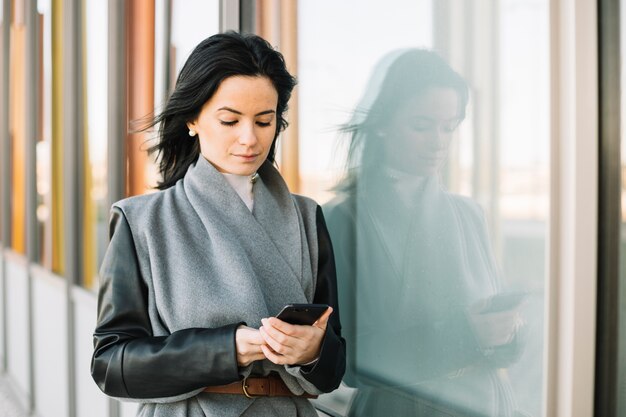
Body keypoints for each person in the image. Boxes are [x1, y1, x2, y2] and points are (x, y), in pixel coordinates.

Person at [91, 32, 346, 417]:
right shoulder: (140, 221)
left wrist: (311, 352)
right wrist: (227, 349)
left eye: (264, 121)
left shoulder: (307, 217)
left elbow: (334, 368)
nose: (249, 138)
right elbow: (110, 364)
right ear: (192, 119)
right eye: (230, 120)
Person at [323, 49, 529, 417]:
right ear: (383, 124)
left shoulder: (469, 214)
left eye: (448, 127)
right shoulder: (344, 219)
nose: (439, 142)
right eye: (421, 126)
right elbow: (348, 360)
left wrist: (507, 333)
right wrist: (467, 335)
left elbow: (495, 331)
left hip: (485, 403)